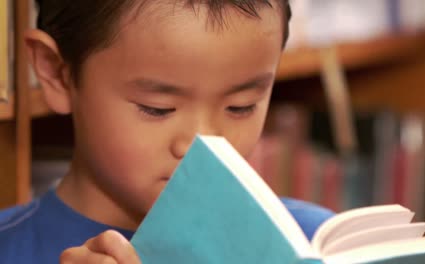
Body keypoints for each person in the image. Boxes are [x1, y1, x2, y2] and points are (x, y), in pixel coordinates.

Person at [0, 0, 334, 263]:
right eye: (157, 108)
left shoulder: (318, 243)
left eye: (241, 106)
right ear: (56, 73)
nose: (203, 144)